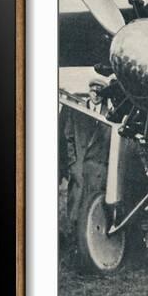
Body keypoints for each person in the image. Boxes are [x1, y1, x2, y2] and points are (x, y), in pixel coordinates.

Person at [59, 77, 111, 236]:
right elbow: (69, 138)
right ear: (89, 91)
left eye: (99, 91)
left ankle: (91, 244)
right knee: (76, 208)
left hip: (98, 171)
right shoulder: (77, 112)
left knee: (94, 209)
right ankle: (73, 242)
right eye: (93, 90)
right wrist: (73, 163)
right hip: (80, 169)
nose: (96, 94)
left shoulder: (109, 115)